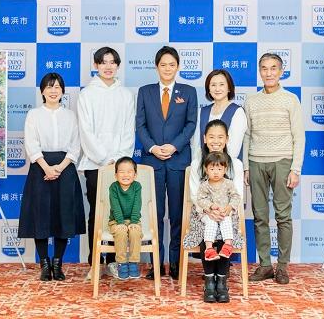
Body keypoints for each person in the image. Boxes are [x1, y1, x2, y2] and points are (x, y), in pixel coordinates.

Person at [136, 45, 198, 280]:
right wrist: (152, 147)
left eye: (172, 64)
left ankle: (175, 263)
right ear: (156, 67)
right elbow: (140, 124)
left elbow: (191, 124)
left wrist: (174, 146)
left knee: (176, 215)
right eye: (163, 64)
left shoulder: (189, 91)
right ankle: (155, 263)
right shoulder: (145, 91)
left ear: (178, 67)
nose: (168, 68)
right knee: (154, 213)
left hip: (178, 160)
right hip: (152, 161)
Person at [243, 53, 305, 284]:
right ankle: (265, 265)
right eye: (264, 68)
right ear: (259, 71)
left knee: (283, 216)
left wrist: (295, 168)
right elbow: (248, 135)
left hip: (282, 162)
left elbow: (299, 137)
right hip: (257, 162)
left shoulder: (290, 100)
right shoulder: (251, 100)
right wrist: (247, 166)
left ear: (281, 71)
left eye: (273, 68)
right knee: (259, 216)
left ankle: (283, 267)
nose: (268, 73)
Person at [18, 72, 86, 281]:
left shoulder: (71, 115)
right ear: (42, 91)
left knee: (63, 217)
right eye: (49, 87)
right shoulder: (34, 115)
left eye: (57, 87)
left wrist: (60, 167)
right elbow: (31, 144)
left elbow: (75, 145)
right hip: (40, 168)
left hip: (65, 169)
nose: (53, 91)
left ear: (63, 91)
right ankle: (44, 264)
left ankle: (58, 263)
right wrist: (47, 168)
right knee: (41, 217)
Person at [77, 46, 135, 279]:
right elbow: (86, 132)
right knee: (97, 213)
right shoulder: (87, 94)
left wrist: (119, 161)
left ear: (118, 66)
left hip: (121, 168)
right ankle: (95, 263)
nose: (108, 66)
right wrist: (104, 159)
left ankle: (115, 261)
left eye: (113, 62)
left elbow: (128, 130)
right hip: (95, 165)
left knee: (119, 213)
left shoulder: (126, 95)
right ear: (96, 65)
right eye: (103, 62)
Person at [184, 119, 244, 303]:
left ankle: (222, 282)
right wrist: (209, 209)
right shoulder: (196, 164)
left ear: (227, 139)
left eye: (220, 137)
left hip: (228, 212)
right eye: (211, 137)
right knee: (207, 230)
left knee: (225, 231)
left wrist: (225, 210)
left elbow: (238, 194)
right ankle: (210, 281)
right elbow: (195, 195)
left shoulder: (236, 164)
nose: (215, 141)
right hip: (203, 212)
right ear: (204, 139)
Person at [191, 69, 247, 161]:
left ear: (229, 88)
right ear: (208, 89)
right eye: (213, 85)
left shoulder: (237, 112)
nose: (217, 89)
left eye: (221, 84)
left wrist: (218, 169)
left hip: (228, 168)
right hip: (204, 169)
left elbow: (234, 149)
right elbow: (196, 145)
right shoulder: (202, 112)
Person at [196, 151, 241, 262]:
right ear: (206, 170)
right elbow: (200, 199)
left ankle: (227, 246)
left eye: (219, 169)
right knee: (211, 222)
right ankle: (209, 249)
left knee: (226, 220)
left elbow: (236, 196)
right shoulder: (204, 185)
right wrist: (211, 206)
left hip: (224, 212)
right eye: (212, 169)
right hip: (208, 213)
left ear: (225, 170)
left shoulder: (228, 183)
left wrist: (229, 207)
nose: (216, 173)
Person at [108, 156, 143, 280]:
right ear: (116, 175)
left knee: (135, 231)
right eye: (121, 172)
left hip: (133, 219)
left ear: (135, 174)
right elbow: (115, 206)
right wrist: (120, 222)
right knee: (121, 232)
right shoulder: (114, 187)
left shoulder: (137, 186)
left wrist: (133, 222)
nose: (125, 175)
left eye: (129, 171)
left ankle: (133, 263)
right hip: (116, 221)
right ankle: (122, 264)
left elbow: (137, 205)